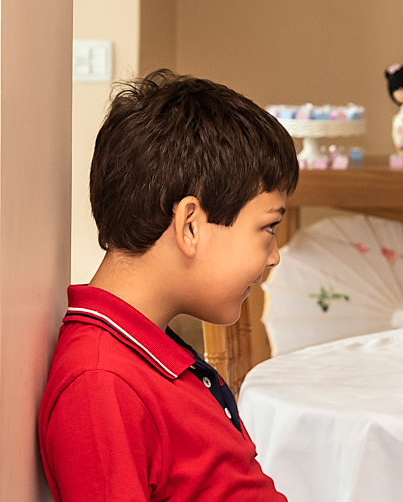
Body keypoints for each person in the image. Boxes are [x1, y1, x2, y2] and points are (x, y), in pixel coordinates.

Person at [39, 70, 299, 501]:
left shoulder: (148, 350)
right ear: (191, 226)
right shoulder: (101, 384)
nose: (274, 255)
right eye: (268, 227)